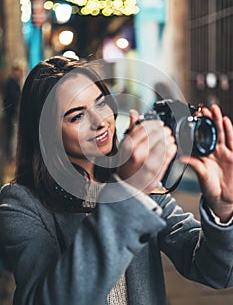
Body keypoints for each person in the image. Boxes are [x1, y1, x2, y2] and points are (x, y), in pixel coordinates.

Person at [0, 55, 233, 305]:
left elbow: (216, 272)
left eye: (101, 103)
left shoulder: (136, 179)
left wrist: (223, 208)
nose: (100, 122)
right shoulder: (20, 203)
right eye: (77, 116)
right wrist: (129, 191)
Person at [2, 65, 23, 162]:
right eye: (19, 71)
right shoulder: (11, 83)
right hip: (11, 114)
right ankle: (11, 157)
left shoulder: (14, 82)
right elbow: (13, 98)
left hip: (12, 113)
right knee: (12, 135)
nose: (21, 74)